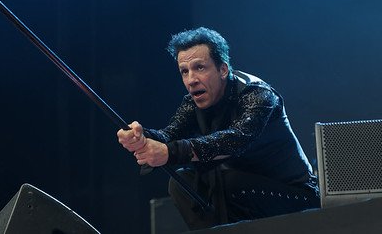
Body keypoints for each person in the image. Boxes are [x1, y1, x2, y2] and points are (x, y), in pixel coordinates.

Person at [117, 27, 320, 229]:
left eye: (200, 68)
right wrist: (142, 137)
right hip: (244, 189)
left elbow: (235, 140)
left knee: (228, 182)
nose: (191, 80)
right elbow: (169, 135)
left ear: (223, 69)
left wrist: (170, 152)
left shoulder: (258, 94)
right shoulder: (192, 103)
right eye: (184, 71)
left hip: (299, 197)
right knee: (181, 182)